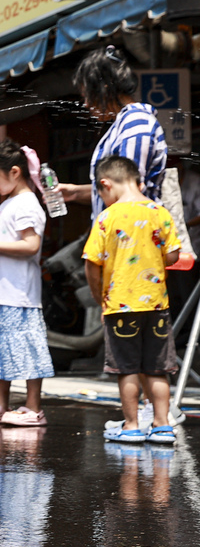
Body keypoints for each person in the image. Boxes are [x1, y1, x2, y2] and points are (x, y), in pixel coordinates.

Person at [84, 156, 181, 445]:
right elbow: (174, 255)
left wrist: (98, 295)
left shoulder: (107, 217)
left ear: (105, 184)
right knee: (157, 368)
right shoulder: (159, 212)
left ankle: (131, 426)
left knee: (126, 369)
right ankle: (163, 426)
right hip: (156, 305)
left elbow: (91, 262)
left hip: (120, 307)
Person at [0, 140, 53, 426]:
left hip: (20, 293)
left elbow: (30, 245)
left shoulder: (27, 204)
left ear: (14, 172)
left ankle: (33, 407)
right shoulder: (10, 202)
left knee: (27, 347)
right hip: (3, 291)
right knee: (1, 348)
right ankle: (1, 406)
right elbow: (8, 241)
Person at [57, 46, 167, 219]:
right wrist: (76, 193)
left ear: (105, 89)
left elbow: (128, 193)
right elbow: (118, 189)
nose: (85, 104)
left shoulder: (135, 124)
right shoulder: (125, 124)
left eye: (87, 95)